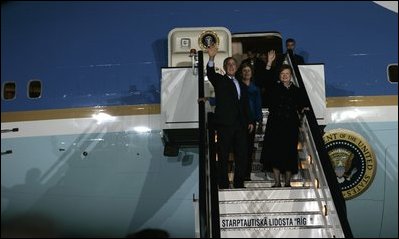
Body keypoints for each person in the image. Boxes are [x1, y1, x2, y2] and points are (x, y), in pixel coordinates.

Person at [206, 44, 254, 189]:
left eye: (234, 64)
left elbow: (246, 105)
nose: (232, 66)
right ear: (225, 67)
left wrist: (250, 120)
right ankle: (224, 183)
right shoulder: (220, 80)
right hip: (224, 124)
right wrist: (211, 57)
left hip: (240, 125)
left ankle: (239, 183)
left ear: (236, 67)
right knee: (223, 155)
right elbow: (210, 73)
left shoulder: (242, 84)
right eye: (229, 64)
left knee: (242, 155)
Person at [260, 50, 307, 187]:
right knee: (274, 153)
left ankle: (287, 182)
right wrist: (269, 63)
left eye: (287, 74)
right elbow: (265, 80)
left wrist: (304, 108)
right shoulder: (274, 87)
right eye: (282, 74)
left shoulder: (297, 90)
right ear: (279, 76)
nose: (285, 76)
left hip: (290, 126)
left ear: (291, 76)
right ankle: (276, 182)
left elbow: (302, 103)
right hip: (275, 125)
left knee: (289, 154)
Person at [238, 63, 263, 181]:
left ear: (252, 73)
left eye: (248, 71)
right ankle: (239, 173)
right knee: (240, 149)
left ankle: (247, 173)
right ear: (241, 73)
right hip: (239, 120)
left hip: (251, 121)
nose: (246, 73)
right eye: (244, 71)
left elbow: (258, 105)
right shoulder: (237, 86)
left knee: (248, 149)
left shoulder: (255, 89)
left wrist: (259, 120)